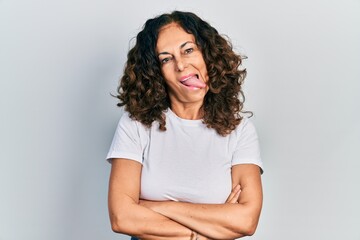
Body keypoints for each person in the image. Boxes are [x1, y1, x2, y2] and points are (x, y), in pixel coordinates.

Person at [106, 11, 263, 240]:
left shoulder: (240, 130)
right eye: (166, 59)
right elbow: (122, 217)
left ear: (208, 55)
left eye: (188, 50)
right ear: (155, 73)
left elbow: (246, 221)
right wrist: (201, 233)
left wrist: (156, 207)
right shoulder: (136, 124)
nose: (180, 64)